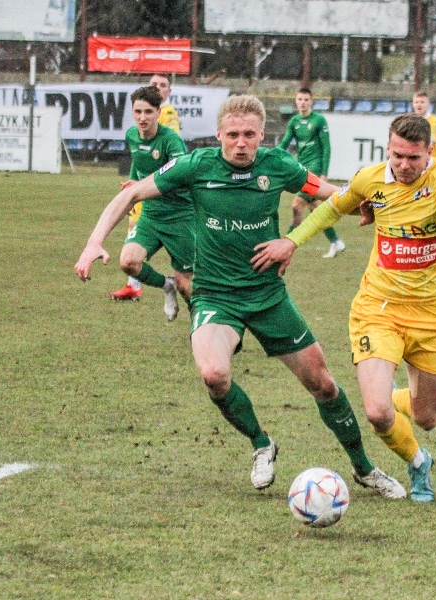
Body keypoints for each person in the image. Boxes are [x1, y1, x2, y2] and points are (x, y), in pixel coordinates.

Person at [75, 94, 405, 499]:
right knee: (214, 375)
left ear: (262, 135)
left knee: (324, 386)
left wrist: (370, 206)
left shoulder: (277, 165)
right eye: (233, 135)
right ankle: (261, 443)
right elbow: (130, 194)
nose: (241, 143)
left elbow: (331, 193)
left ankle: (364, 469)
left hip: (268, 295)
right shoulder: (197, 166)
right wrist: (94, 243)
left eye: (249, 134)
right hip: (215, 296)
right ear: (219, 135)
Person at [252, 113, 436, 502]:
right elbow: (332, 209)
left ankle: (402, 401)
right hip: (377, 308)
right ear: (388, 148)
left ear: (430, 154)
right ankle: (419, 462)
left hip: (432, 314)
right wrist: (293, 240)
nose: (404, 165)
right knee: (377, 413)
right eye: (397, 155)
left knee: (426, 417)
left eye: (413, 158)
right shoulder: (371, 178)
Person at [108, 85, 193, 320]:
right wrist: (133, 181)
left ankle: (202, 329)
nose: (142, 117)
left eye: (148, 112)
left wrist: (140, 187)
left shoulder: (171, 142)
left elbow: (178, 179)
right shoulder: (132, 135)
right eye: (138, 112)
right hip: (151, 216)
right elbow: (138, 162)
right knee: (128, 262)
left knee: (187, 286)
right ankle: (166, 285)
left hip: (180, 218)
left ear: (158, 112)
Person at [276, 88, 345, 258]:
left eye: (306, 99)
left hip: (314, 169)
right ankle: (336, 242)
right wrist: (271, 156)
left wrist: (324, 173)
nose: (302, 102)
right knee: (314, 208)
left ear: (311, 101)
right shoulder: (294, 122)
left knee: (296, 204)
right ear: (296, 101)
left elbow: (326, 147)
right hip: (301, 168)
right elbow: (285, 143)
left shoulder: (319, 120)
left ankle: (286, 243)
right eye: (299, 99)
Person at [411, 91, 436, 160]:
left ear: (428, 104)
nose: (419, 105)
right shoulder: (408, 121)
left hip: (430, 162)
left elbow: (429, 143)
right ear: (413, 104)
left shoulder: (435, 122)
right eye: (416, 102)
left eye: (422, 102)